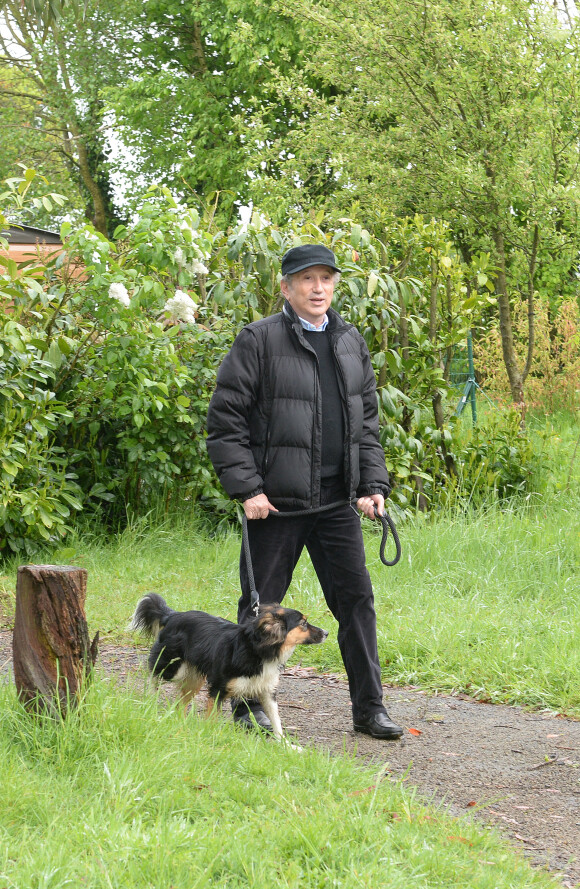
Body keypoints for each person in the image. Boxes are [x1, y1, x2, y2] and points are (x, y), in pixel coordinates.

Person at [205, 244, 403, 740]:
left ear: (335, 285)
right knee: (259, 608)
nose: (318, 288)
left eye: (326, 279)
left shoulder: (350, 342)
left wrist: (372, 485)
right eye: (307, 279)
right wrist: (247, 486)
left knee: (357, 602)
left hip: (336, 504)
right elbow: (224, 422)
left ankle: (370, 710)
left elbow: (368, 426)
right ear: (286, 286)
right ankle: (247, 708)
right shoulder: (258, 340)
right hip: (275, 506)